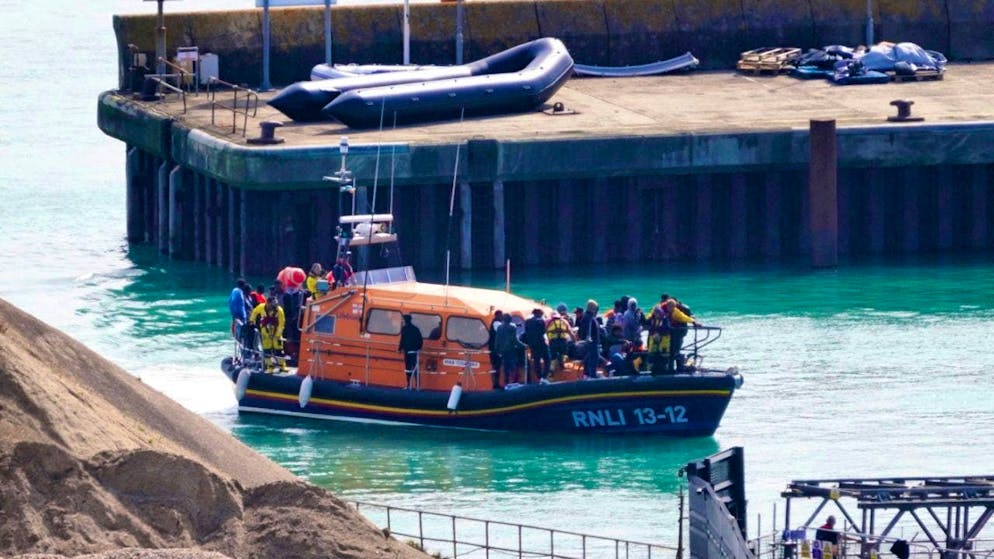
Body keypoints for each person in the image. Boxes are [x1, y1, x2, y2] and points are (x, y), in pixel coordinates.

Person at [250, 296, 287, 373]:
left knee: (279, 349)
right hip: (265, 332)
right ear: (268, 303)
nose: (274, 307)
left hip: (276, 332)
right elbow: (254, 312)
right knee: (267, 349)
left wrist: (278, 334)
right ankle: (270, 366)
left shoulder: (279, 310)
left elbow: (281, 323)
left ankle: (282, 366)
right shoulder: (261, 307)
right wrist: (252, 320)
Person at [665, 298, 700, 372]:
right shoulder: (665, 310)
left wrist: (694, 322)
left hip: (678, 333)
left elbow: (687, 318)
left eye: (671, 306)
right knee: (669, 351)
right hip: (669, 334)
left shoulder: (679, 311)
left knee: (675, 350)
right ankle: (669, 367)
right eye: (668, 306)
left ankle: (678, 367)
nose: (669, 308)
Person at [494, 314, 526, 385]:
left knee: (506, 368)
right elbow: (515, 340)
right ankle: (514, 382)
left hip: (503, 351)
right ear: (510, 319)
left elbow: (497, 339)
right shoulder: (512, 327)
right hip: (511, 350)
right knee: (513, 366)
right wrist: (523, 346)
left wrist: (497, 349)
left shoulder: (499, 327)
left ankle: (506, 384)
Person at [522, 309, 551, 383]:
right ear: (539, 314)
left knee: (536, 361)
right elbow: (543, 332)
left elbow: (526, 332)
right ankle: (544, 376)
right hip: (541, 343)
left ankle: (539, 377)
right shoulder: (540, 321)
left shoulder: (527, 322)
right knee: (547, 359)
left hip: (533, 344)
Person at [576, 300, 601, 379]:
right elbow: (589, 328)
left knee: (588, 359)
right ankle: (592, 375)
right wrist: (588, 336)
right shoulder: (589, 317)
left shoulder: (585, 316)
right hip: (592, 342)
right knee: (594, 359)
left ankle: (587, 375)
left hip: (588, 342)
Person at [545, 310, 575, 375]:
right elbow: (570, 332)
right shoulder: (564, 321)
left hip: (553, 341)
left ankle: (552, 371)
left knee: (553, 357)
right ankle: (562, 367)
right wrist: (574, 341)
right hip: (563, 341)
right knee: (563, 354)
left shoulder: (548, 321)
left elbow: (544, 331)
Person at [398, 314, 423, 389]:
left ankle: (409, 385)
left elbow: (402, 340)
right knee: (415, 368)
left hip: (407, 351)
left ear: (405, 320)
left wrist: (399, 349)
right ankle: (417, 385)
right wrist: (418, 348)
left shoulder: (404, 329)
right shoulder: (416, 329)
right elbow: (420, 340)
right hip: (414, 351)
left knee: (408, 369)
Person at [487, 310, 503, 389]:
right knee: (495, 366)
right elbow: (501, 330)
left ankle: (496, 383)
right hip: (494, 349)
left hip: (496, 348)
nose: (502, 317)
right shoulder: (496, 323)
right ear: (497, 315)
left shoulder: (498, 323)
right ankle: (495, 384)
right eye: (501, 315)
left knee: (497, 367)